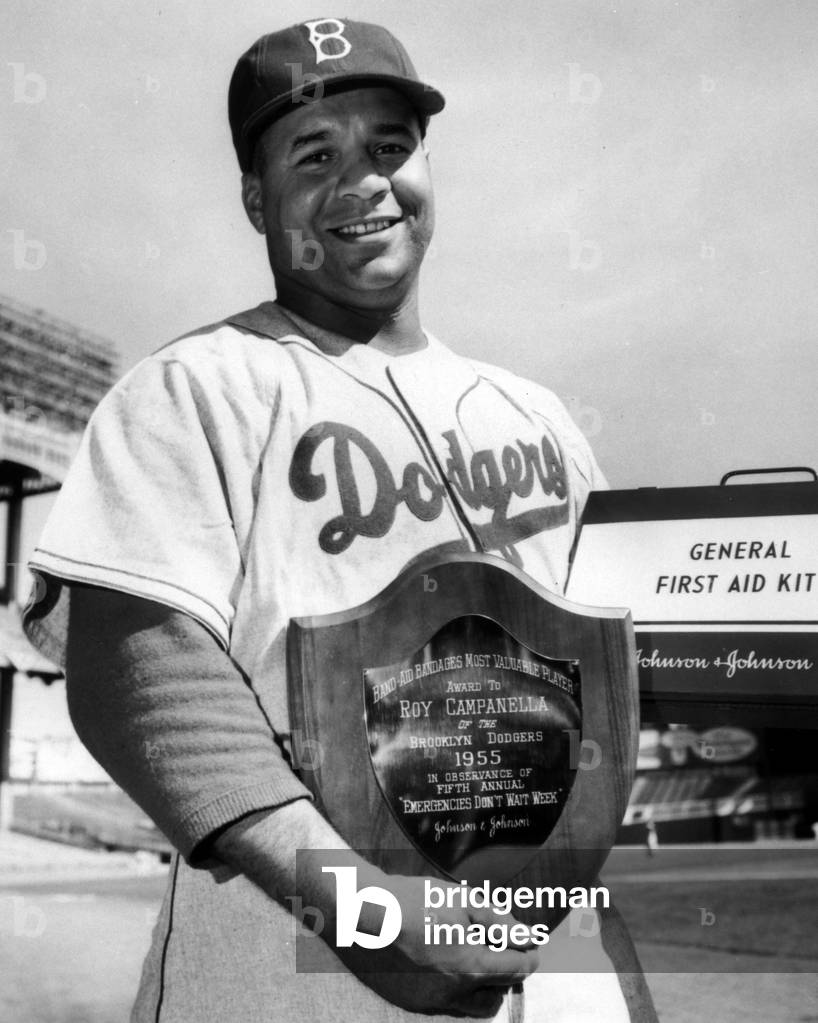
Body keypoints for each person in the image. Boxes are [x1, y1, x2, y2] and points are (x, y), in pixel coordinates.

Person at [24, 18, 657, 1023]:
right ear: (254, 197)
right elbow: (142, 673)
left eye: (390, 148)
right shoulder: (195, 391)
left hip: (546, 916)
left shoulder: (534, 414)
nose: (364, 181)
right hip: (291, 936)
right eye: (313, 154)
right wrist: (361, 905)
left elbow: (634, 660)